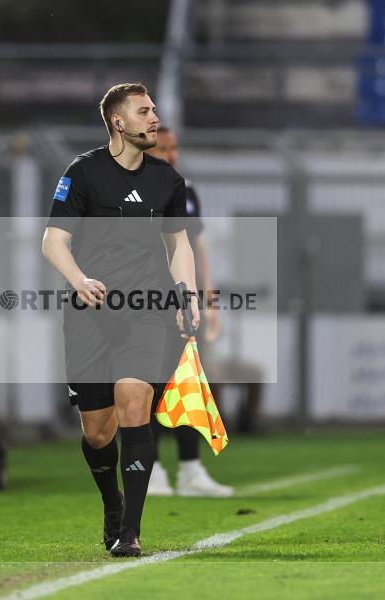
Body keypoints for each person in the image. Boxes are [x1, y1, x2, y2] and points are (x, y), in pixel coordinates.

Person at [42, 82, 197, 557]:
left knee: (135, 400)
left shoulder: (167, 179)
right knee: (97, 431)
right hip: (91, 314)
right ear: (118, 121)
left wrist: (185, 295)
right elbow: (53, 241)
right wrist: (79, 280)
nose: (154, 118)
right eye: (144, 111)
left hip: (146, 312)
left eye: (154, 109)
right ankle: (112, 503)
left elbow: (179, 245)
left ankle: (130, 530)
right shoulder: (83, 172)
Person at [145, 126, 232, 497]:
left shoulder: (184, 188)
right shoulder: (127, 193)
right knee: (145, 385)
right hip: (143, 301)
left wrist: (207, 300)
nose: (173, 154)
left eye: (175, 147)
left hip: (180, 302)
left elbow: (195, 247)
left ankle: (190, 470)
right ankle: (149, 471)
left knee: (187, 383)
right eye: (165, 148)